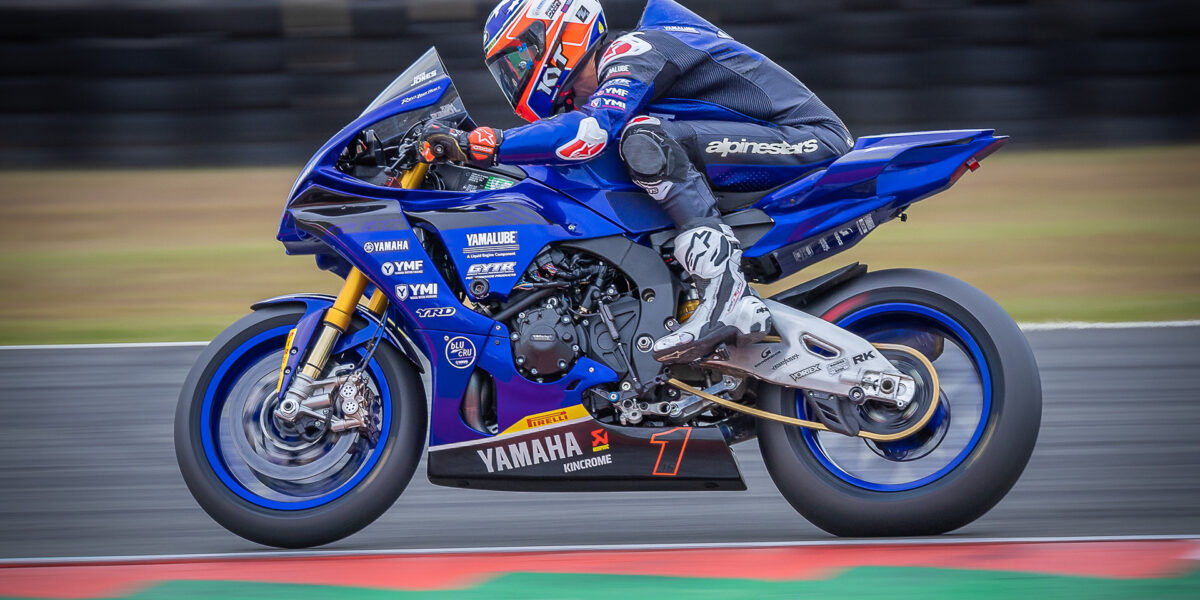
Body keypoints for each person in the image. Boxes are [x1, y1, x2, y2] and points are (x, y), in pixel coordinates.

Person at [419, 0, 853, 364]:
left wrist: (491, 143)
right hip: (746, 146)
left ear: (555, 37)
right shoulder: (618, 69)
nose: (515, 76)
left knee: (643, 138)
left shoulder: (633, 50)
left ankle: (726, 295)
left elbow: (590, 131)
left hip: (807, 139)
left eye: (518, 60)